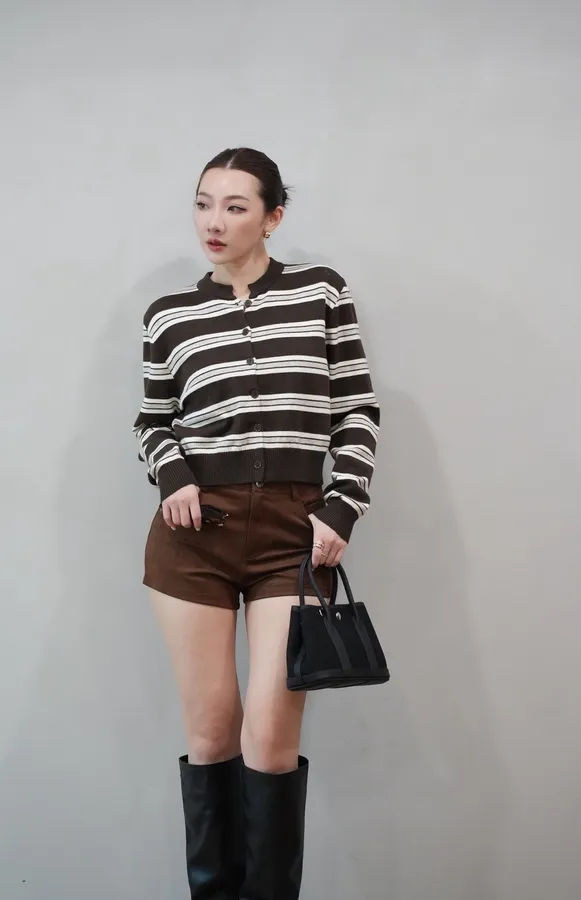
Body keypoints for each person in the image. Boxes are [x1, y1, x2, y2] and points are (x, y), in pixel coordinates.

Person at [133, 147, 380, 900]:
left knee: (269, 742)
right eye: (204, 203)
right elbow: (152, 421)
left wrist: (341, 506)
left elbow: (357, 410)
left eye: (235, 207)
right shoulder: (169, 315)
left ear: (273, 217)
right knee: (211, 736)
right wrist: (173, 473)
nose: (214, 221)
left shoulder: (320, 292)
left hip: (291, 539)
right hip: (193, 540)